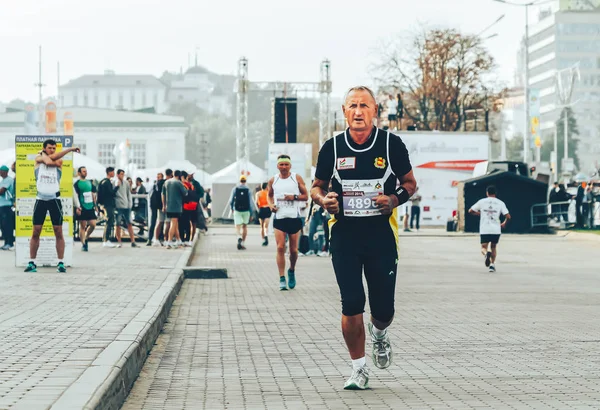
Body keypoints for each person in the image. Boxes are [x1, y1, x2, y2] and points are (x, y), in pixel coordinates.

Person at [310, 86, 416, 390]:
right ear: (344, 112)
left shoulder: (391, 144)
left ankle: (379, 335)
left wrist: (393, 200)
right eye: (352, 106)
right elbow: (317, 186)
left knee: (383, 310)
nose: (358, 112)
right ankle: (358, 368)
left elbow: (409, 184)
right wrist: (323, 200)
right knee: (351, 301)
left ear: (375, 112)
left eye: (364, 106)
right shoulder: (331, 147)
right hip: (344, 234)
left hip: (381, 235)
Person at [25, 139, 80, 273]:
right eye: (50, 148)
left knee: (58, 232)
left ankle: (60, 262)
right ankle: (32, 262)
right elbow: (48, 161)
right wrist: (44, 154)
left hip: (55, 200)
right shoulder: (38, 159)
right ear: (44, 148)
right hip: (40, 200)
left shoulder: (59, 162)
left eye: (54, 148)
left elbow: (51, 160)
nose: (52, 150)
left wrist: (69, 150)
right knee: (36, 231)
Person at [268, 155, 309, 291]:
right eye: (281, 165)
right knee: (280, 247)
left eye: (286, 164)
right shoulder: (273, 180)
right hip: (279, 217)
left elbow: (306, 195)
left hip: (294, 217)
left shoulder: (296, 178)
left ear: (290, 166)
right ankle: (281, 278)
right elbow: (269, 195)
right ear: (278, 166)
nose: (284, 167)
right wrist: (270, 206)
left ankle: (291, 270)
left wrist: (294, 197)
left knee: (293, 250)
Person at [468, 185, 511, 273]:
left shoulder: (482, 202)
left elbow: (470, 211)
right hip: (496, 229)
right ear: (495, 193)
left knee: (483, 247)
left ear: (487, 193)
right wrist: (504, 223)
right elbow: (508, 216)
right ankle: (492, 265)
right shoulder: (500, 203)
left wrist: (479, 213)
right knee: (494, 247)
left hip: (485, 228)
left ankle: (486, 254)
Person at [73, 166, 98, 252]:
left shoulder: (90, 182)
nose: (85, 173)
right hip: (81, 207)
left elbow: (93, 194)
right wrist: (77, 207)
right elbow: (75, 196)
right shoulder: (77, 184)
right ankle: (84, 244)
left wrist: (96, 206)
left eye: (86, 171)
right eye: (83, 171)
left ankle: (86, 237)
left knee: (93, 224)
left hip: (90, 206)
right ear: (79, 173)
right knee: (82, 226)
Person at [229, 175, 255, 250]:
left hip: (237, 210)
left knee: (238, 226)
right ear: (245, 181)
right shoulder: (248, 190)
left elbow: (231, 200)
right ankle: (243, 243)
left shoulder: (235, 189)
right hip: (246, 210)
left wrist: (232, 208)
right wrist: (251, 213)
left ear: (239, 181)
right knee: (244, 226)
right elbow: (251, 203)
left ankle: (239, 237)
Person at [113, 169, 139, 248]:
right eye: (121, 174)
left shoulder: (126, 183)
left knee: (129, 223)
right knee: (117, 224)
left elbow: (129, 194)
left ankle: (133, 241)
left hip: (126, 206)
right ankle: (119, 242)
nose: (122, 176)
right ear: (117, 175)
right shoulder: (114, 182)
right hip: (118, 206)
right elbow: (112, 193)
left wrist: (130, 204)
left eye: (123, 174)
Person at [162, 169, 187, 248]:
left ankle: (178, 240)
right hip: (176, 206)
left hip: (168, 206)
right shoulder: (179, 183)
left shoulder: (166, 182)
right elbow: (185, 193)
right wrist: (183, 182)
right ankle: (169, 241)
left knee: (174, 224)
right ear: (180, 176)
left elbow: (163, 194)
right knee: (173, 223)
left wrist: (164, 205)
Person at [97, 167, 118, 248]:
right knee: (109, 221)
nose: (114, 173)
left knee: (109, 221)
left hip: (104, 204)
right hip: (108, 205)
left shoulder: (102, 181)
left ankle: (106, 239)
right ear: (109, 172)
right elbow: (111, 193)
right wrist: (117, 187)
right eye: (113, 172)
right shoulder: (107, 182)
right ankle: (106, 240)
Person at [147, 172, 165, 246]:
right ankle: (156, 238)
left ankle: (151, 239)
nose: (158, 178)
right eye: (157, 177)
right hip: (158, 205)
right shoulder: (159, 184)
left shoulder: (155, 185)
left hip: (155, 205)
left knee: (156, 222)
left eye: (159, 177)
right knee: (159, 222)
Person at [0, 165, 15, 250]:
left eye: (1, 171)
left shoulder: (8, 180)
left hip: (6, 205)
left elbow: (2, 191)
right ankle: (6, 243)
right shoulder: (3, 180)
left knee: (7, 225)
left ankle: (10, 243)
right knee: (3, 225)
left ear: (5, 171)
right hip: (2, 205)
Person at [255, 182, 272, 246]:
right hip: (267, 209)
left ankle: (263, 239)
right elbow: (271, 202)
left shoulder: (258, 193)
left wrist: (258, 207)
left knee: (261, 226)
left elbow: (256, 202)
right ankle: (266, 236)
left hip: (261, 209)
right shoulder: (269, 193)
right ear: (267, 186)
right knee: (266, 226)